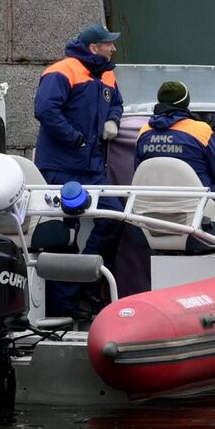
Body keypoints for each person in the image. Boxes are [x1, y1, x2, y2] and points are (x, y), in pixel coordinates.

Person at [33, 22, 125, 317]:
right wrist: (76, 138)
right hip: (61, 167)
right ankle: (63, 303)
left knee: (113, 217)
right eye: (108, 44)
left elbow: (117, 104)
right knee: (63, 234)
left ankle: (83, 281)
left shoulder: (107, 73)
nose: (113, 48)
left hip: (92, 167)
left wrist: (113, 121)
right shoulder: (62, 71)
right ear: (93, 48)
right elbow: (45, 110)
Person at [135, 81, 215, 192]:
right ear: (185, 102)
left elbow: (138, 171)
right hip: (198, 204)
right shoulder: (202, 131)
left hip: (150, 204)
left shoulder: (144, 131)